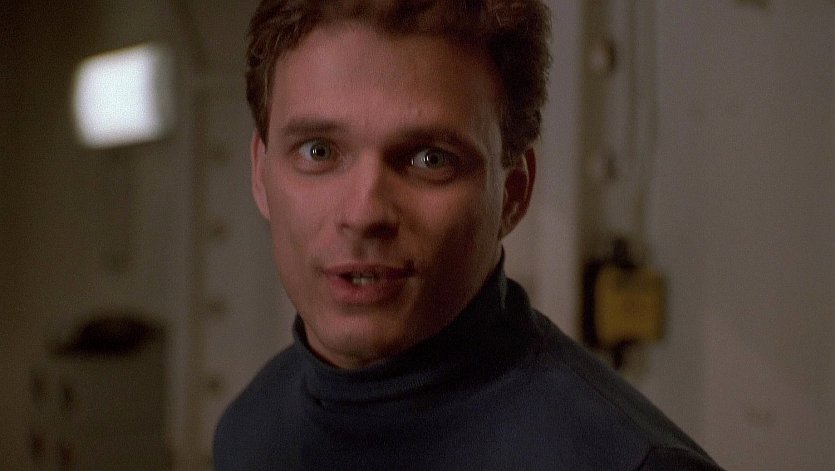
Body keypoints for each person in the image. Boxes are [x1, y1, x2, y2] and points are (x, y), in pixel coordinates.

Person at [214, 1, 724, 469]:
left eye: (430, 159)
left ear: (513, 194)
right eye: (319, 151)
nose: (365, 212)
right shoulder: (248, 430)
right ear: (260, 173)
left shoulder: (629, 463)